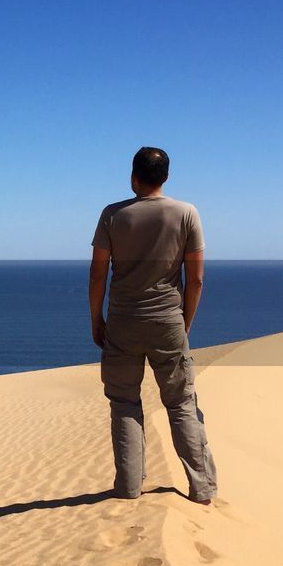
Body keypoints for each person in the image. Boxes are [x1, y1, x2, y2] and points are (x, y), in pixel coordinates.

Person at [88, 147, 217, 504]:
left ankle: (128, 488)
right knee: (180, 404)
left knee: (124, 403)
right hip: (167, 323)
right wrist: (184, 322)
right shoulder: (186, 213)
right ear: (167, 177)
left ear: (133, 177)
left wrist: (96, 318)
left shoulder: (112, 215)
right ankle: (202, 489)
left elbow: (98, 272)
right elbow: (196, 280)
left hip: (123, 324)